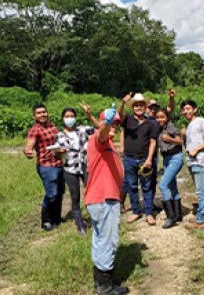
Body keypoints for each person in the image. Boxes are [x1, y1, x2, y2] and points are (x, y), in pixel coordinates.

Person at [85, 105, 130, 295]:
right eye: (112, 122)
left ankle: (100, 282)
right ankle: (105, 287)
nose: (115, 126)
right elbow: (102, 131)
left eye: (117, 124)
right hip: (103, 199)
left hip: (103, 198)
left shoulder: (109, 143)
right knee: (108, 241)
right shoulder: (100, 139)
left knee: (100, 239)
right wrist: (107, 122)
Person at [55, 102, 100, 235]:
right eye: (67, 116)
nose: (69, 118)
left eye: (72, 116)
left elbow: (99, 128)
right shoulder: (59, 136)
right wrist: (60, 151)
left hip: (86, 166)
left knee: (91, 193)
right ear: (63, 119)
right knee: (75, 196)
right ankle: (80, 225)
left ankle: (96, 220)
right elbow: (56, 155)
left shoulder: (82, 129)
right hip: (70, 169)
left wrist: (89, 115)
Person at [117, 93, 158, 225]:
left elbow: (153, 142)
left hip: (144, 159)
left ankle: (149, 213)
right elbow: (119, 114)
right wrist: (122, 102)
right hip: (129, 158)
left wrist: (149, 159)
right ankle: (136, 211)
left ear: (145, 107)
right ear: (132, 107)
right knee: (132, 186)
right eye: (136, 105)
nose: (139, 108)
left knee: (147, 186)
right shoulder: (127, 120)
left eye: (141, 105)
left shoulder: (150, 124)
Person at [24, 104, 65, 231]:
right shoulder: (34, 130)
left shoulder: (52, 126)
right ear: (34, 116)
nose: (42, 115)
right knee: (51, 194)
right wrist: (27, 151)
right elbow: (28, 146)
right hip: (46, 166)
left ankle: (56, 218)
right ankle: (46, 221)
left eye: (44, 112)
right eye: (39, 113)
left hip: (58, 164)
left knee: (60, 193)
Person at [180, 100, 204, 230]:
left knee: (201, 192)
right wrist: (184, 136)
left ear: (195, 109)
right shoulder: (189, 126)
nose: (185, 112)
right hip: (191, 162)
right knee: (198, 191)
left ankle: (200, 221)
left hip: (199, 161)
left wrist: (196, 150)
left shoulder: (201, 121)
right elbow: (187, 145)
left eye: (188, 109)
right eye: (183, 109)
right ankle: (200, 215)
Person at [155, 108, 184, 229]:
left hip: (175, 157)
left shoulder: (170, 126)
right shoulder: (160, 129)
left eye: (162, 117)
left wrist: (169, 139)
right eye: (157, 117)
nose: (160, 119)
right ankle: (178, 214)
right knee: (172, 186)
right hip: (166, 159)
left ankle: (170, 216)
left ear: (167, 118)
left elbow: (180, 141)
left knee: (162, 185)